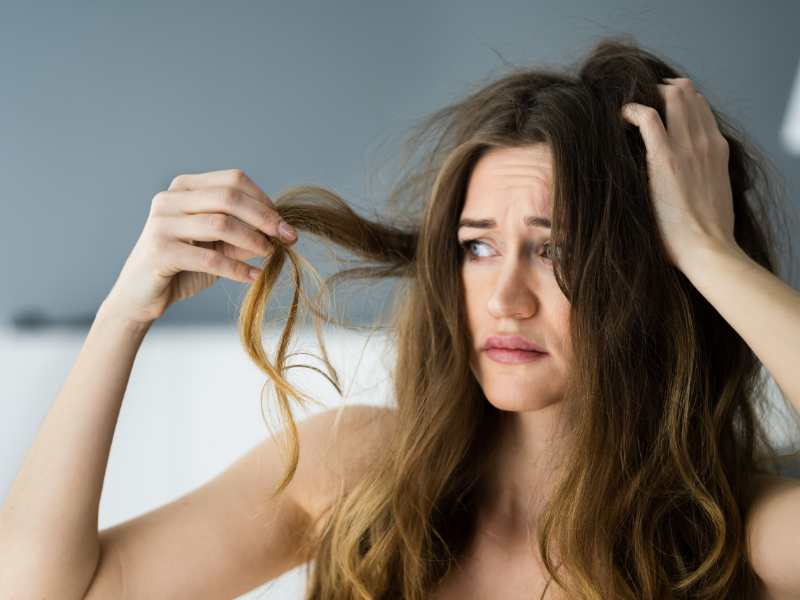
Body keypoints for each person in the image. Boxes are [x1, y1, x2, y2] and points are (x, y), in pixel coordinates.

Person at [2, 34, 800, 600]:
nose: (506, 299)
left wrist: (709, 253)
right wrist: (122, 315)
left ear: (653, 271)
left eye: (558, 252)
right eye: (477, 249)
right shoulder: (358, 476)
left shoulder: (733, 536)